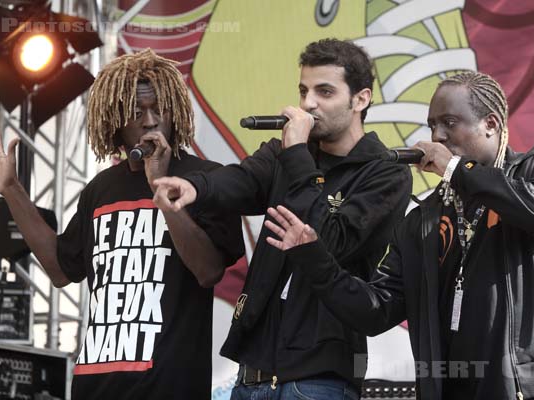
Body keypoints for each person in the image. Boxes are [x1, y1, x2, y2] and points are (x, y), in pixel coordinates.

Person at [264, 71, 534, 400]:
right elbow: (376, 310)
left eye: (449, 123)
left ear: (491, 124)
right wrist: (314, 256)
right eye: (432, 125)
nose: (436, 136)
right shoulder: (424, 220)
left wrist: (456, 169)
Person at [151, 38, 413, 399]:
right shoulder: (283, 154)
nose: (308, 104)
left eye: (324, 91)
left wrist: (298, 158)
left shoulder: (384, 174)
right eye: (304, 90)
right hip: (252, 377)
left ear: (361, 99)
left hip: (319, 380)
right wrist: (196, 187)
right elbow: (240, 180)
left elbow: (334, 242)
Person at [0, 48, 244, 400]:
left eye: (159, 109)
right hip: (96, 386)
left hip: (169, 387)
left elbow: (209, 271)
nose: (151, 121)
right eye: (137, 113)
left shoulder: (207, 180)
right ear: (115, 123)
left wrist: (160, 189)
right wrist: (12, 189)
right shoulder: (100, 190)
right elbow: (62, 271)